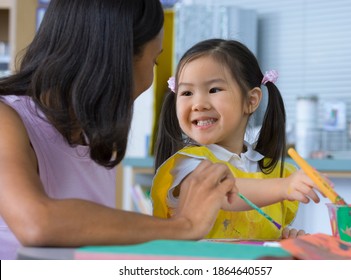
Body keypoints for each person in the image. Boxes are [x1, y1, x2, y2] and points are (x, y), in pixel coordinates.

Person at [0, 0, 237, 260]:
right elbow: (37, 224)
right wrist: (184, 225)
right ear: (118, 61)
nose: (150, 80)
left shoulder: (93, 137)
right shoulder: (6, 118)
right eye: (155, 62)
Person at [151, 39, 324, 240]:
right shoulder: (187, 164)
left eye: (214, 90)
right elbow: (219, 191)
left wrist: (284, 240)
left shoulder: (275, 173)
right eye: (187, 92)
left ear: (251, 101)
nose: (198, 104)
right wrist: (284, 187)